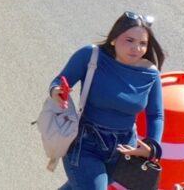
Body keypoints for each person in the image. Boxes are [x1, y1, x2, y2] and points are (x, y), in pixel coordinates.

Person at [50, 13, 165, 189]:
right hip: (85, 144)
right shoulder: (91, 56)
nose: (136, 48)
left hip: (124, 150)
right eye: (129, 40)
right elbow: (59, 81)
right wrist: (57, 91)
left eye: (142, 43)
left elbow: (155, 114)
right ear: (114, 39)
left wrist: (152, 146)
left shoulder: (150, 74)